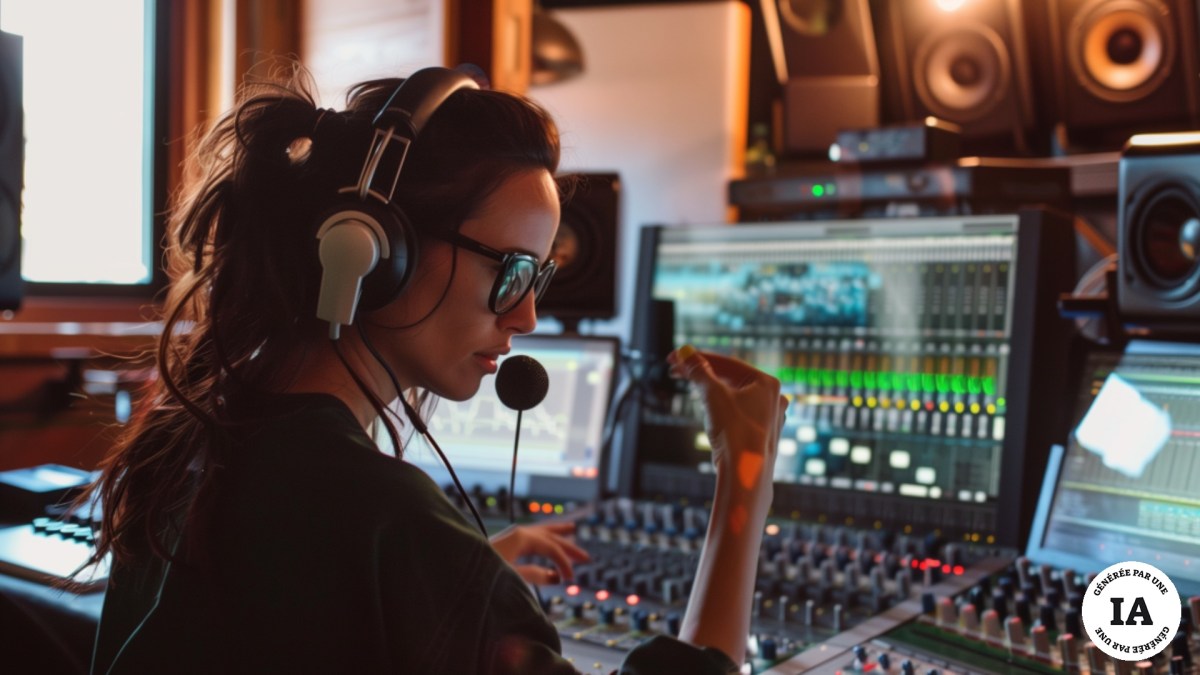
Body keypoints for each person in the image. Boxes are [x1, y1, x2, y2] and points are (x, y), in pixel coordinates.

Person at [80, 61, 786, 674]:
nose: (527, 316)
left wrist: (455, 584)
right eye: (511, 271)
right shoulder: (386, 519)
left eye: (538, 278)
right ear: (377, 250)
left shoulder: (192, 439)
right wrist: (746, 477)